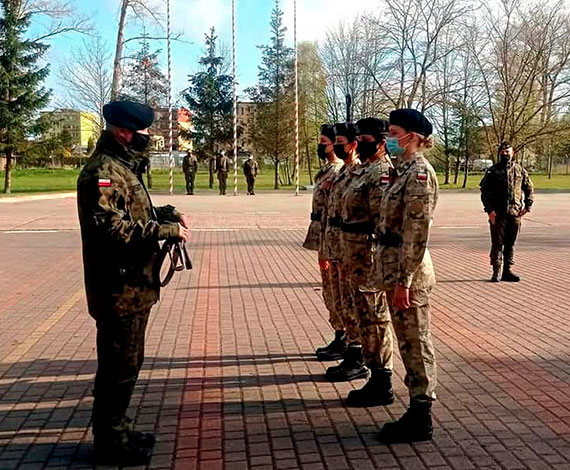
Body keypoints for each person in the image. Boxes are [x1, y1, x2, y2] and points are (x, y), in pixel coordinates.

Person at [77, 100, 191, 465]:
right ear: (124, 132)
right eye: (143, 133)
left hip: (133, 285)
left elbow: (131, 212)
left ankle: (119, 428)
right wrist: (164, 229)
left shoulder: (122, 166)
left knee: (128, 362)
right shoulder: (103, 172)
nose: (147, 139)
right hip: (118, 287)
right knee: (117, 366)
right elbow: (109, 227)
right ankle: (110, 441)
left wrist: (163, 213)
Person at [376, 108, 438, 443]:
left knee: (416, 342)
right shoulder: (400, 171)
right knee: (406, 340)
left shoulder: (418, 174)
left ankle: (421, 415)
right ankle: (416, 409)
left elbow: (416, 232)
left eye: (394, 131)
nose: (389, 137)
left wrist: (405, 280)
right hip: (394, 268)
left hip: (409, 273)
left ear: (412, 136)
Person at [340, 117, 394, 407]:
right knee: (363, 316)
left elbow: (381, 219)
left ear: (381, 142)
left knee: (375, 318)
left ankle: (383, 379)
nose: (359, 142)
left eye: (365, 138)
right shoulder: (363, 171)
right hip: (354, 254)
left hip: (369, 256)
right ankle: (374, 372)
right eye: (358, 137)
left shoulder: (381, 173)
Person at [322, 122, 368, 381]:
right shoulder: (345, 173)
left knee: (355, 306)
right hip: (339, 248)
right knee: (342, 302)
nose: (336, 146)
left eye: (341, 141)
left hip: (356, 252)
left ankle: (358, 355)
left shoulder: (361, 172)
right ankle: (350, 348)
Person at [303, 124, 344, 359]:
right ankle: (339, 335)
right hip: (323, 237)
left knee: (336, 292)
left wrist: (328, 249)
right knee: (330, 291)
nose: (321, 145)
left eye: (324, 141)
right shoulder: (328, 170)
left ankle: (344, 337)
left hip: (332, 240)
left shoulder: (337, 170)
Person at [479, 142, 534, 282]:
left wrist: (527, 206)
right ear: (499, 153)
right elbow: (484, 191)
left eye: (507, 151)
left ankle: (507, 271)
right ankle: (496, 271)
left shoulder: (520, 170)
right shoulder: (493, 171)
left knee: (510, 243)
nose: (505, 154)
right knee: (497, 243)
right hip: (498, 214)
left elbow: (529, 188)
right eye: (502, 151)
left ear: (513, 152)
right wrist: (489, 210)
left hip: (514, 213)